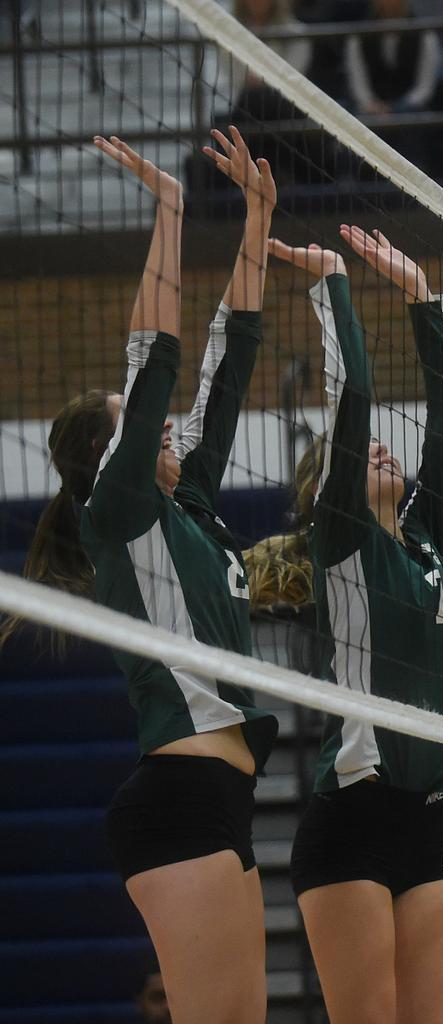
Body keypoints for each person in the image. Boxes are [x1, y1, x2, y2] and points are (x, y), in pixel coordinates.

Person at [0, 129, 278, 1023]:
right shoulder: (116, 512)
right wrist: (169, 211)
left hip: (223, 797)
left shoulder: (186, 504)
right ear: (101, 459)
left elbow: (227, 366)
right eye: (134, 422)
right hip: (179, 801)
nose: (160, 424)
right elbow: (154, 358)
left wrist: (256, 223)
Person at [268, 225, 443, 1024]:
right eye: (358, 455)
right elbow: (352, 399)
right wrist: (332, 287)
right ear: (333, 492)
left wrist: (423, 294)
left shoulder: (422, 537)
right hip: (352, 825)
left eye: (383, 448)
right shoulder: (343, 543)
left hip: (427, 828)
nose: (379, 450)